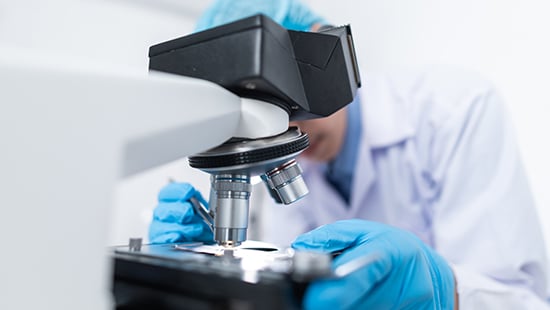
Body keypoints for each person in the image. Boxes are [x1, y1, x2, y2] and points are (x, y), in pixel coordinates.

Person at [149, 0, 550, 309]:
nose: (292, 136)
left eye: (287, 115)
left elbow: (521, 299)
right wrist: (205, 271)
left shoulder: (455, 111)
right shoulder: (293, 159)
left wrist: (441, 288)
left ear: (324, 59)